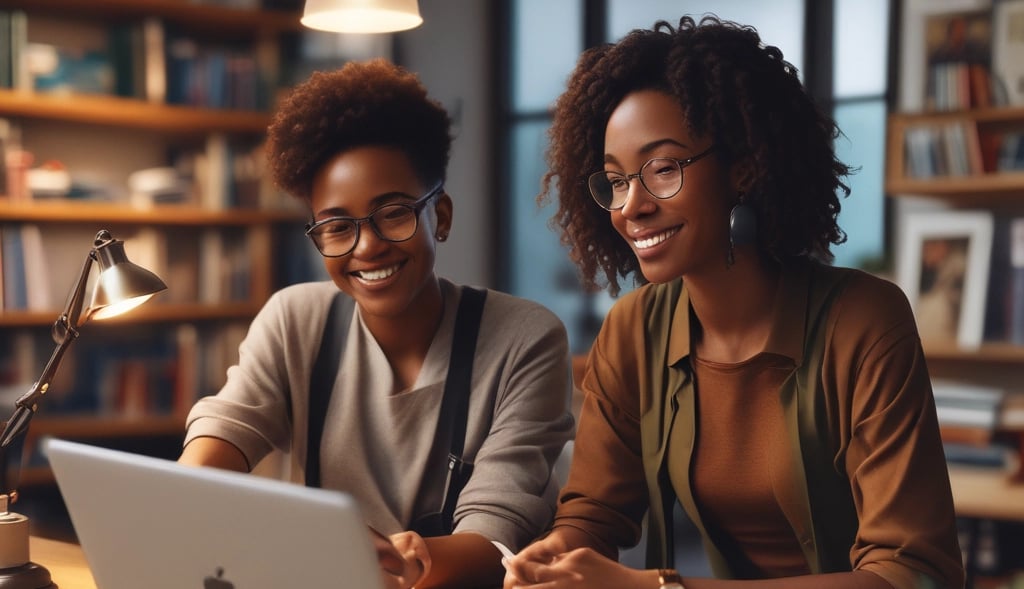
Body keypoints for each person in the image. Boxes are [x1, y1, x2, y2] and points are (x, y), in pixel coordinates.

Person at [504, 15, 965, 589]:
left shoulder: (865, 321)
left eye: (663, 169)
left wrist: (659, 588)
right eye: (616, 180)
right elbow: (595, 510)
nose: (630, 206)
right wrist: (552, 556)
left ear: (742, 169)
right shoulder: (633, 330)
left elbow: (914, 573)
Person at [178, 58, 575, 589]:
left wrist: (398, 563)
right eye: (338, 226)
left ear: (442, 215)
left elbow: (496, 538)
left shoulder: (525, 338)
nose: (367, 247)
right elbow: (215, 448)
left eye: (393, 212)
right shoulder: (297, 319)